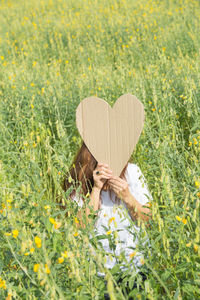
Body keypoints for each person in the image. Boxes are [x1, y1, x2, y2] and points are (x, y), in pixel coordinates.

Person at [60, 141, 152, 299]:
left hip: (136, 272)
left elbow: (148, 220)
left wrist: (128, 197)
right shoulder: (79, 178)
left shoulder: (133, 172)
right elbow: (81, 228)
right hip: (97, 277)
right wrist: (96, 190)